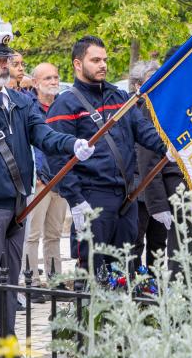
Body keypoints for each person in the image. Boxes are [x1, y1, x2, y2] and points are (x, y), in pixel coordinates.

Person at [0, 32, 93, 341]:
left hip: (17, 204)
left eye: (6, 60)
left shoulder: (20, 102)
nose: (4, 65)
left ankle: (7, 346)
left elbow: (43, 135)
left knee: (11, 282)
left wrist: (72, 143)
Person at [46, 36, 166, 274]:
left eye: (105, 60)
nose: (103, 65)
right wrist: (76, 200)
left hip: (125, 195)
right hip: (92, 197)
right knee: (93, 271)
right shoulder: (65, 104)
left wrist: (167, 147)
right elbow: (57, 157)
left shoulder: (119, 97)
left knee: (125, 268)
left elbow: (142, 130)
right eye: (95, 60)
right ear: (78, 64)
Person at [22, 62, 69, 282]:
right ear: (35, 83)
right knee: (32, 235)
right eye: (47, 78)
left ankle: (55, 280)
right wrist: (38, 174)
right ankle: (31, 281)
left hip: (61, 180)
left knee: (54, 234)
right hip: (38, 181)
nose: (53, 82)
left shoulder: (63, 105)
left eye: (55, 77)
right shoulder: (27, 107)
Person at [130, 60, 173, 271]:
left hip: (161, 185)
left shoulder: (164, 108)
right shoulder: (131, 110)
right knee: (135, 242)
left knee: (158, 243)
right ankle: (137, 285)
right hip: (138, 185)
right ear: (138, 85)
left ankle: (154, 283)